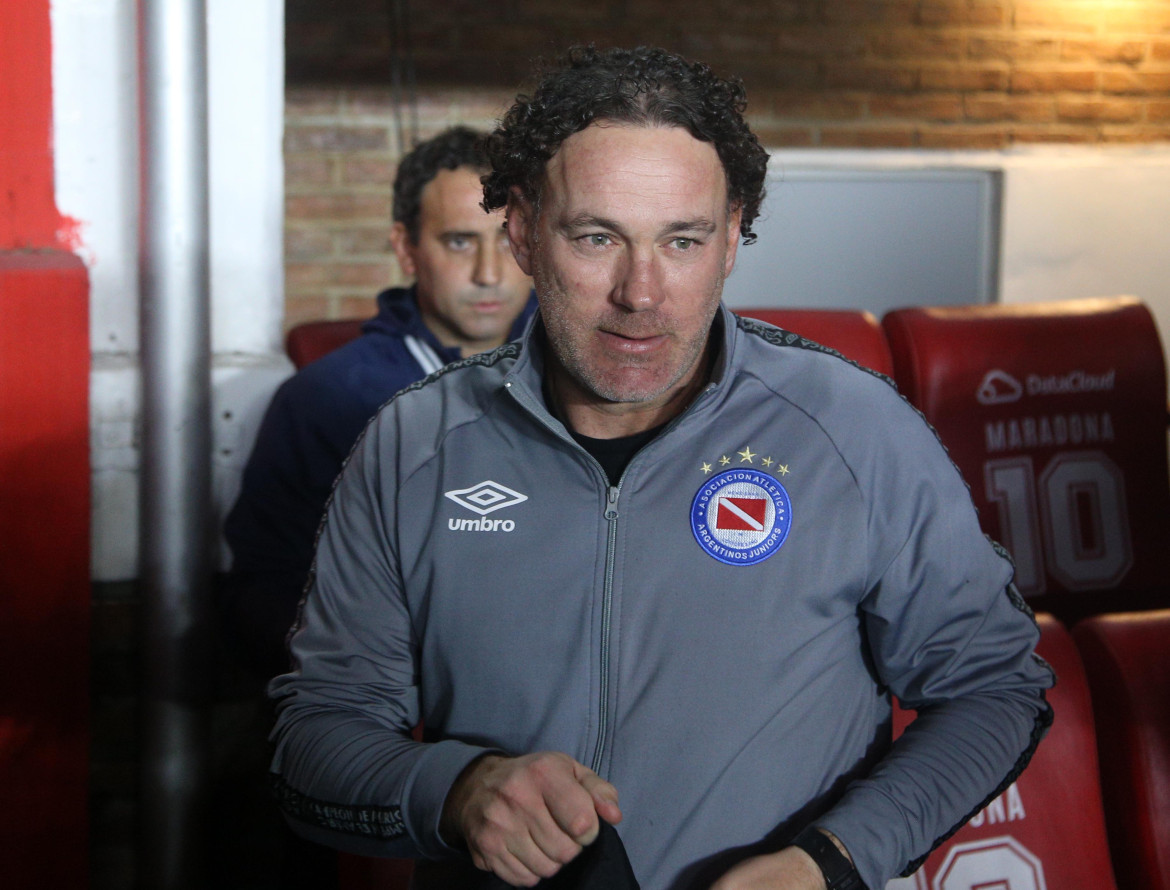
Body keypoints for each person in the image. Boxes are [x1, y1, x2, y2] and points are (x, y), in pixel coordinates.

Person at [267, 46, 1054, 890]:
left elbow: (997, 687)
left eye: (682, 240)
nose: (642, 292)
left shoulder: (854, 430)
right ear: (525, 232)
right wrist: (455, 789)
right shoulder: (410, 446)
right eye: (597, 236)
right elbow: (314, 737)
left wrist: (832, 863)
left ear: (730, 240)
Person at [221, 126, 535, 678]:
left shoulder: (587, 373)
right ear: (405, 247)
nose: (490, 273)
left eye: (508, 239)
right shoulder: (325, 399)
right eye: (460, 241)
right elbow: (268, 588)